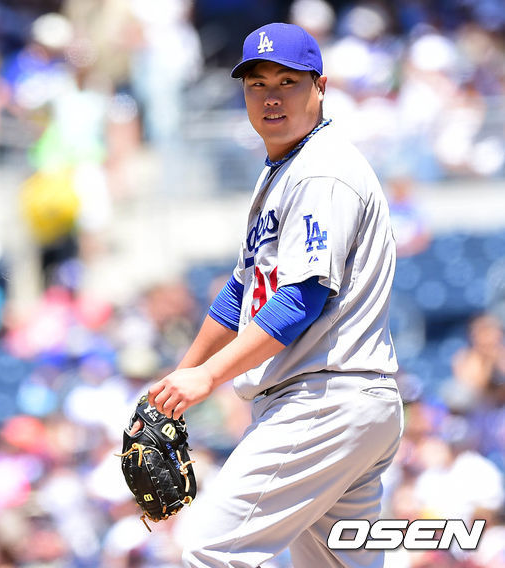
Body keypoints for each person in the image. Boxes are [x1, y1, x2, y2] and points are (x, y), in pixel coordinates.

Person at [147, 23, 404, 568]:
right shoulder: (287, 169)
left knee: (208, 549)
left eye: (288, 81)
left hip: (323, 397)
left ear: (320, 87)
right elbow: (241, 292)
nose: (271, 96)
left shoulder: (321, 172)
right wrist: (180, 379)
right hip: (342, 402)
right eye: (257, 84)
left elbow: (300, 301)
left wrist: (209, 377)